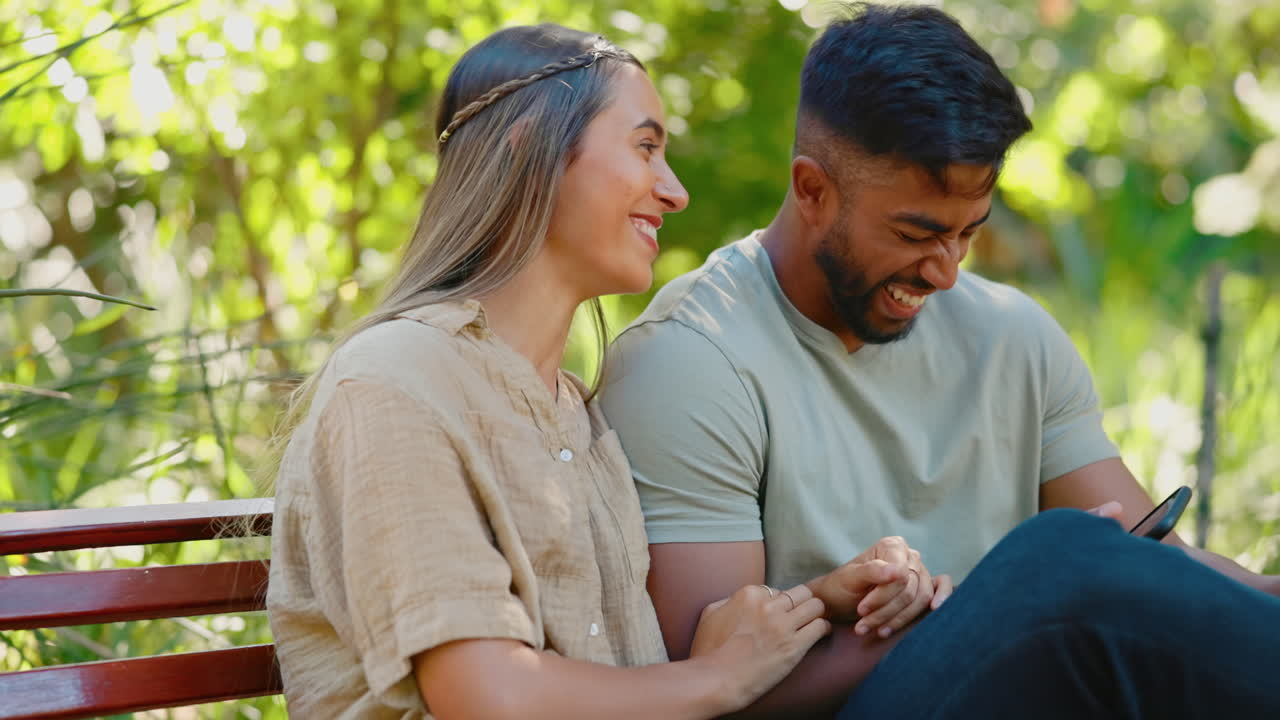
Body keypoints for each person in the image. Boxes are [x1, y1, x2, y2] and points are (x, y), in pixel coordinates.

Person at [599, 4, 1280, 717]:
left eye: (968, 233)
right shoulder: (689, 361)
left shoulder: (1013, 337)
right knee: (1057, 561)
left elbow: (1157, 584)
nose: (946, 271)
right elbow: (710, 693)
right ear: (812, 190)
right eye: (916, 233)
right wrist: (997, 610)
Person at [263, 22, 944, 719]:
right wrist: (721, 680)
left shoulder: (573, 416)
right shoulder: (395, 380)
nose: (673, 192)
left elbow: (627, 671)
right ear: (531, 145)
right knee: (1035, 583)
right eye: (646, 147)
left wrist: (809, 609)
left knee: (972, 621)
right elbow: (486, 696)